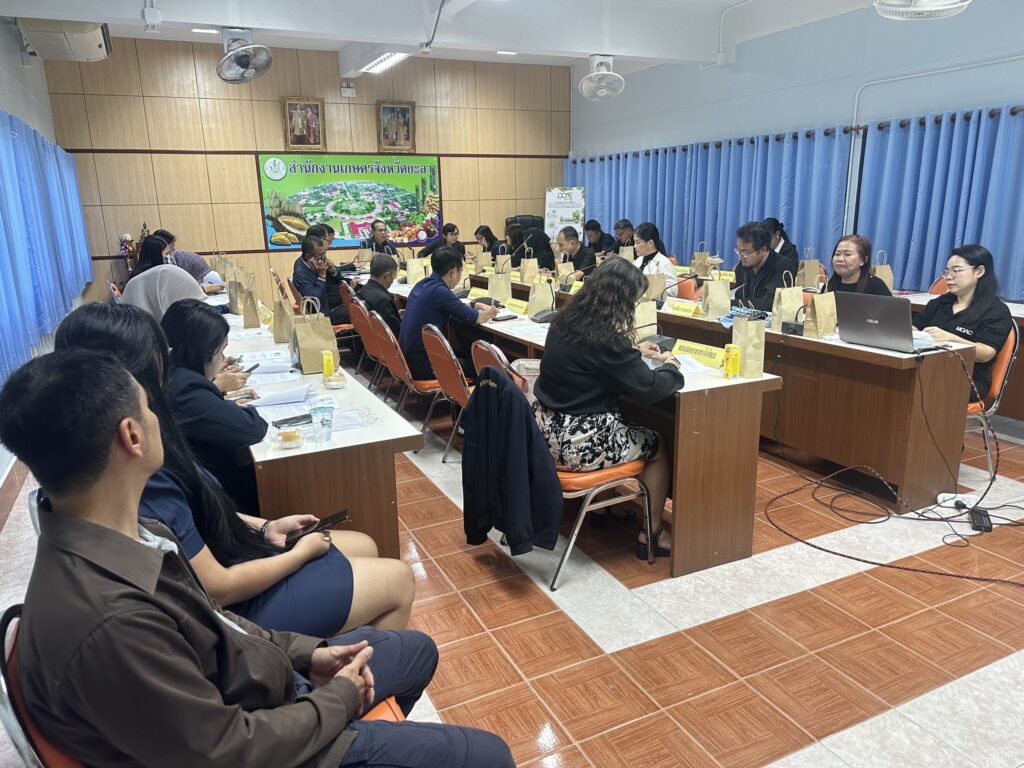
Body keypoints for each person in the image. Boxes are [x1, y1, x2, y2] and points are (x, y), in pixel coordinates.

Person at [0, 350, 515, 768]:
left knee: (416, 650)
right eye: (149, 407)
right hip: (261, 740)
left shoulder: (125, 532)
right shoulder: (112, 622)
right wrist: (335, 701)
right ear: (131, 436)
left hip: (263, 690)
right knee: (489, 756)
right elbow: (226, 751)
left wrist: (309, 653)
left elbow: (220, 621)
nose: (160, 417)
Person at [54, 303, 415, 637]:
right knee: (398, 578)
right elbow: (217, 587)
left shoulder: (122, 453)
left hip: (231, 552)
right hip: (227, 609)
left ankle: (333, 644)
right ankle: (338, 669)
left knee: (366, 545)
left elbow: (200, 506)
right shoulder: (142, 471)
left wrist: (267, 527)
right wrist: (297, 556)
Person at [532, 258, 683, 555]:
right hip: (576, 446)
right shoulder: (608, 340)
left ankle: (602, 509)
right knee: (657, 443)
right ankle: (651, 534)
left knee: (615, 422)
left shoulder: (563, 321)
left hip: (543, 436)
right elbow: (650, 388)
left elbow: (591, 357)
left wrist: (632, 350)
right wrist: (672, 365)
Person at [161, 299, 268, 515]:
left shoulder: (170, 371)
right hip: (218, 498)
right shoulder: (185, 389)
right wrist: (224, 402)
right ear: (203, 353)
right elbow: (252, 427)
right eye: (220, 351)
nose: (223, 359)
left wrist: (215, 394)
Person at [914, 245, 1012, 401]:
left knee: (918, 386)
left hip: (969, 378)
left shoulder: (996, 311)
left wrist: (950, 338)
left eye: (956, 270)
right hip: (927, 368)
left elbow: (986, 353)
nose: (948, 277)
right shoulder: (939, 303)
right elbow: (914, 326)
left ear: (979, 271)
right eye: (947, 271)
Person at [398, 246, 498, 379]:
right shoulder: (439, 291)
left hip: (407, 359)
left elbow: (453, 306)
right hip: (423, 365)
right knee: (489, 368)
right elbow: (477, 318)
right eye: (461, 271)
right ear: (453, 272)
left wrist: (474, 304)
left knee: (468, 356)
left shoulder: (423, 284)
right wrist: (491, 311)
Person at [121, 235, 206, 321]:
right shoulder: (162, 274)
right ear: (156, 255)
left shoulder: (135, 277)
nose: (168, 257)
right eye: (167, 254)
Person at [732, 220, 792, 311]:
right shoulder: (741, 268)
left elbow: (769, 303)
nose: (741, 256)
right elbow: (738, 297)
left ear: (763, 250)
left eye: (745, 252)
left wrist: (728, 303)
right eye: (739, 251)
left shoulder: (783, 266)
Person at [292, 235, 350, 324]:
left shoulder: (316, 261)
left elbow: (339, 278)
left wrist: (332, 271)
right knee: (357, 313)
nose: (324, 257)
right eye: (320, 255)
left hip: (329, 303)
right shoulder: (300, 272)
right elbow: (314, 298)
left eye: (324, 253)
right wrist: (322, 275)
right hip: (321, 316)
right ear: (308, 256)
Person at [823, 234, 891, 296]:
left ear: (863, 260)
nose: (840, 259)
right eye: (837, 254)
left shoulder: (877, 287)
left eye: (847, 254)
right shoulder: (830, 285)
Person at [358, 254, 402, 337]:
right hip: (389, 341)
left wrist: (395, 314)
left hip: (371, 340)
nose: (393, 281)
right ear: (387, 276)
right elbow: (397, 331)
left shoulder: (363, 290)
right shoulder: (383, 300)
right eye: (393, 277)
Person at [633, 222, 678, 298]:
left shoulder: (664, 263)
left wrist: (649, 290)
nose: (635, 246)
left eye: (638, 243)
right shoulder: (638, 260)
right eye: (634, 242)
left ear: (650, 243)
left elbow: (673, 292)